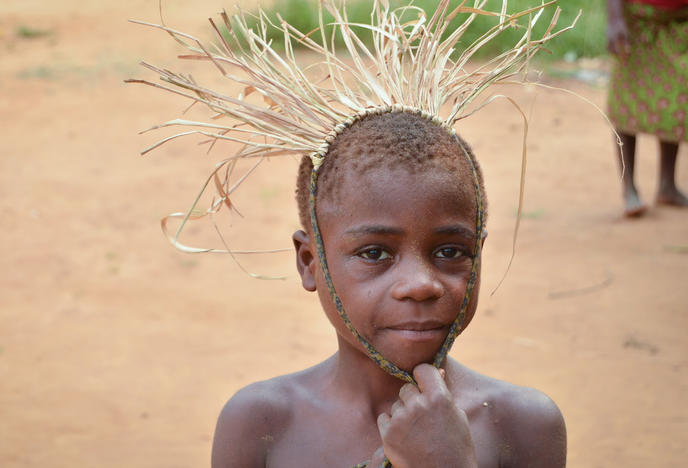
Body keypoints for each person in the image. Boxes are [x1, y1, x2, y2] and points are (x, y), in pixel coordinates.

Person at [130, 2, 571, 466]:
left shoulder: (522, 425)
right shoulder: (263, 425)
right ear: (309, 262)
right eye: (376, 252)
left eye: (449, 250)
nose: (421, 284)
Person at [607, 0, 688, 217]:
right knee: (628, 100)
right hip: (637, 21)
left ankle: (667, 186)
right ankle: (629, 189)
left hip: (684, 20)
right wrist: (615, 19)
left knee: (675, 99)